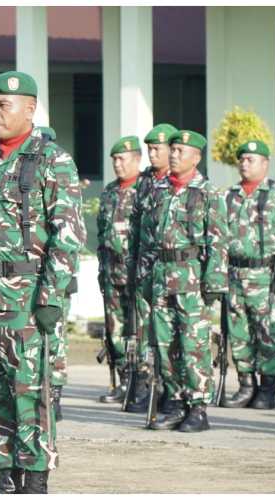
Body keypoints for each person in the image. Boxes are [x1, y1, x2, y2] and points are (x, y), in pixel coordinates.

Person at [0, 70, 87, 493]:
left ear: (30, 108)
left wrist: (50, 297)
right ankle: (3, 472)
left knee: (30, 391)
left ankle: (34, 475)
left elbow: (68, 235)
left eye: (3, 105)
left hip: (27, 299)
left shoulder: (52, 160)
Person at [143, 130, 228, 433]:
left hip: (192, 279)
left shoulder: (208, 193)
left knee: (194, 345)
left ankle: (198, 407)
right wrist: (144, 276)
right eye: (173, 149)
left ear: (196, 157)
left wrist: (214, 283)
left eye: (181, 150)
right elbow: (147, 238)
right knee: (165, 345)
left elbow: (218, 242)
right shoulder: (159, 191)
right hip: (161, 277)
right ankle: (177, 402)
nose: (174, 154)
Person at [221, 140, 275, 409]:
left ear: (265, 164)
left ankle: (267, 389)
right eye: (242, 159)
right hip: (236, 274)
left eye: (251, 159)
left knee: (269, 333)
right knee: (239, 333)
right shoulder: (229, 196)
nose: (244, 163)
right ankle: (245, 385)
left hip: (266, 275)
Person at [126, 123, 179, 413]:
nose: (153, 153)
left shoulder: (179, 180)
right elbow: (136, 224)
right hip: (146, 270)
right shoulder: (145, 180)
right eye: (150, 149)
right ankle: (149, 386)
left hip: (172, 272)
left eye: (158, 148)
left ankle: (172, 391)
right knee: (145, 333)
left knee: (169, 335)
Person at [96, 136, 142, 404]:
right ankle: (123, 380)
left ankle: (140, 381)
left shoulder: (145, 189)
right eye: (114, 159)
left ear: (136, 160)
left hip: (135, 272)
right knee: (115, 329)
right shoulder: (110, 192)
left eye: (122, 159)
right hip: (112, 271)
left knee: (138, 330)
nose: (117, 164)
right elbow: (102, 235)